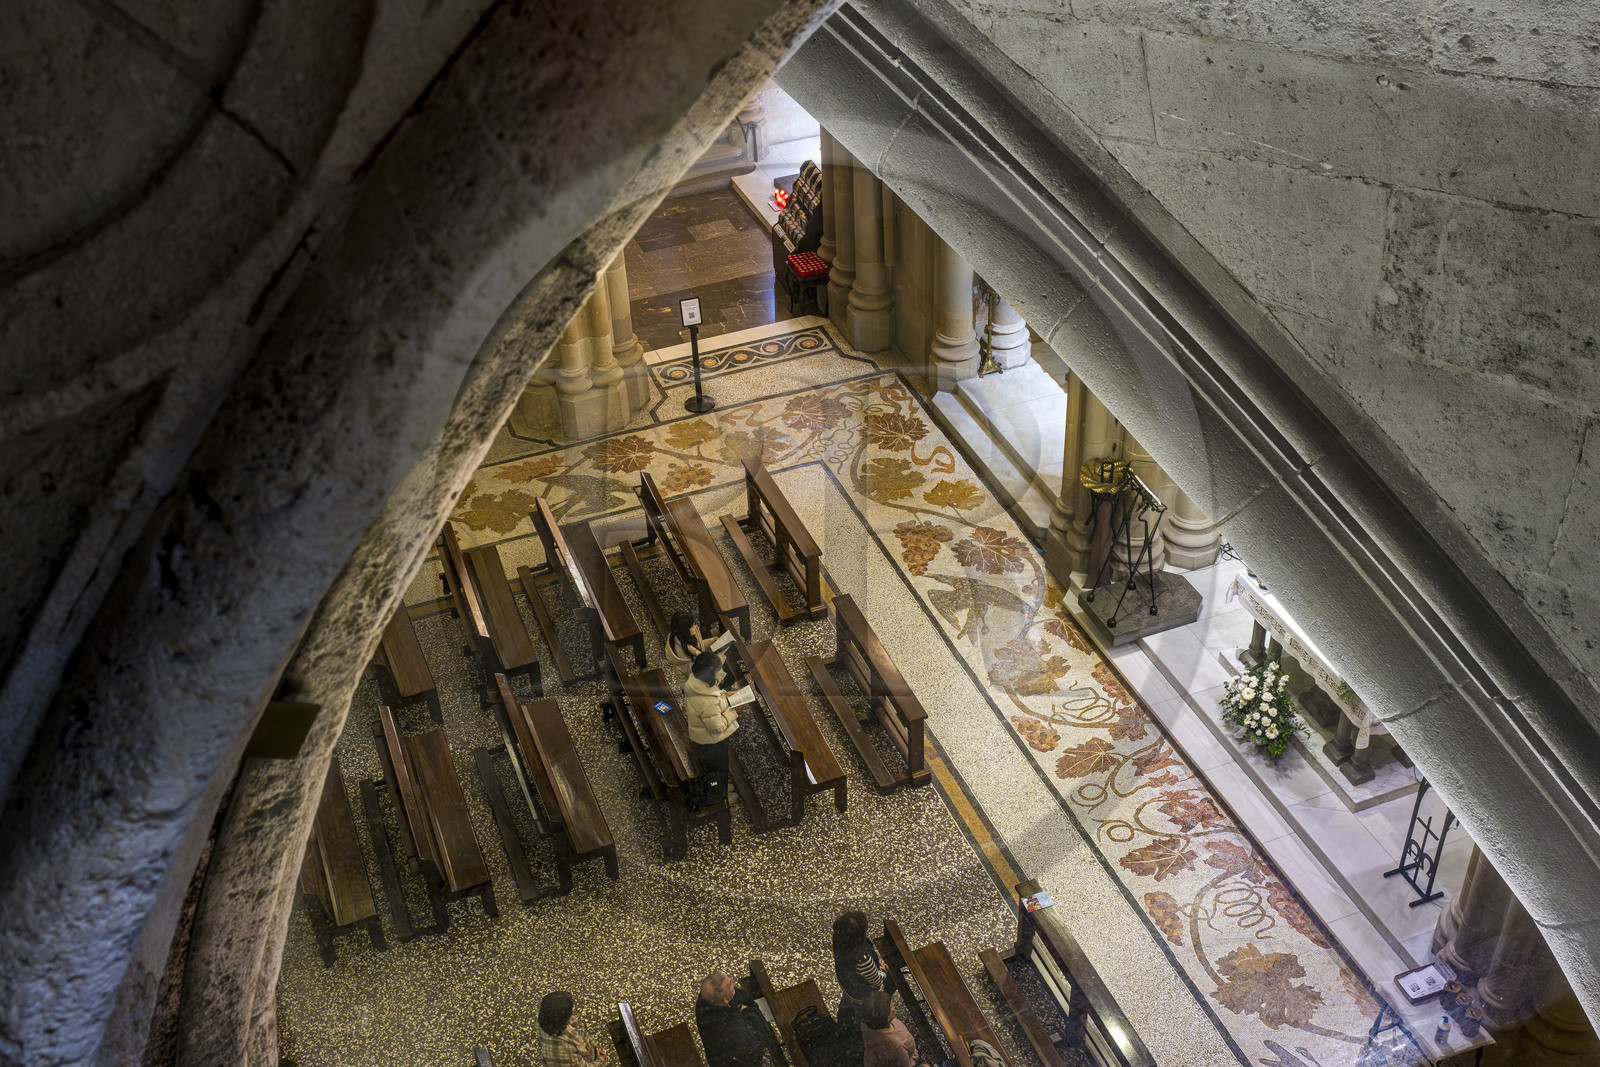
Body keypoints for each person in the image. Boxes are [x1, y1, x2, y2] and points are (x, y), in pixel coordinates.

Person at [684, 651, 740, 798]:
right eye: (717, 670)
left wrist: (725, 697)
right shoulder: (708, 702)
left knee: (716, 767)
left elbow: (712, 697)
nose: (718, 672)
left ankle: (721, 786)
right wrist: (733, 710)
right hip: (711, 741)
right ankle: (721, 794)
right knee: (719, 768)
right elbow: (717, 727)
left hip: (700, 733)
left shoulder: (694, 679)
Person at [832, 910, 888, 1049]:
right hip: (861, 995)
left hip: (847, 985)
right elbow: (875, 980)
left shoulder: (838, 939)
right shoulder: (863, 958)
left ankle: (841, 1028)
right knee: (860, 1017)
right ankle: (858, 1039)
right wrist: (883, 970)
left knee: (845, 1005)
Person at [694, 970, 771, 1067]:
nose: (732, 980)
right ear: (725, 1001)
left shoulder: (709, 997)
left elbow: (744, 996)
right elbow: (762, 1039)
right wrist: (748, 1011)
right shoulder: (727, 1029)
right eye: (730, 984)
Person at [537, 991, 607, 1067]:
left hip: (589, 1054)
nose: (573, 1009)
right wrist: (601, 1059)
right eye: (572, 1009)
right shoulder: (565, 1050)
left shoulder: (549, 1020)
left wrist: (595, 1048)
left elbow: (582, 1032)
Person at [859, 991, 918, 1067]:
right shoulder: (896, 1046)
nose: (894, 1007)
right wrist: (915, 1056)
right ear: (887, 1017)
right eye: (892, 1006)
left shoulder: (866, 1024)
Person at [664, 611, 714, 680]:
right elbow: (683, 684)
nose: (695, 627)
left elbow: (697, 646)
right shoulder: (681, 658)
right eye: (692, 626)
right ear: (685, 630)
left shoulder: (684, 637)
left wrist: (712, 641)